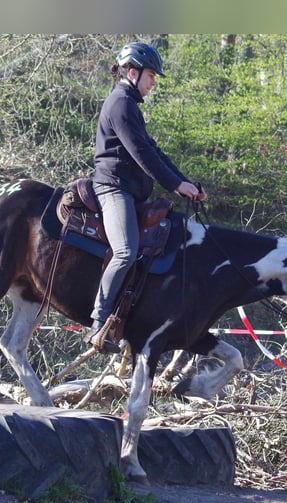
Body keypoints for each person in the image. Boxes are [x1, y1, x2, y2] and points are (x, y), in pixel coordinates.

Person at [85, 41, 206, 353]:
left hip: (132, 191)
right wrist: (176, 186)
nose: (153, 83)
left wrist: (184, 181)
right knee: (125, 252)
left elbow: (154, 151)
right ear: (133, 72)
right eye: (151, 76)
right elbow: (142, 156)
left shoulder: (129, 106)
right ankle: (99, 323)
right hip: (113, 189)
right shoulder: (120, 104)